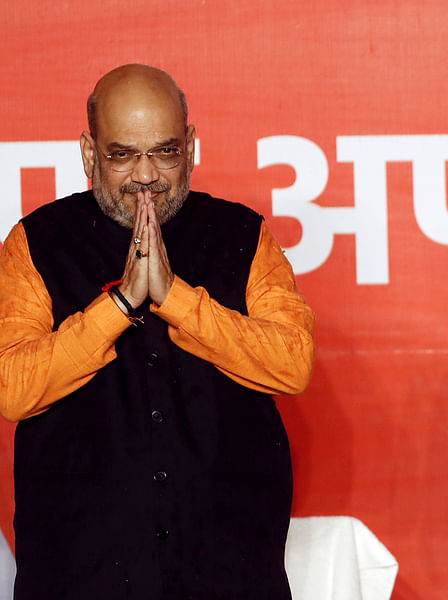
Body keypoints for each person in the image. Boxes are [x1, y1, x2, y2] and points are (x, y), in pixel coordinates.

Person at [0, 64, 314, 598]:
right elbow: (12, 386)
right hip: (80, 572)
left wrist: (175, 299)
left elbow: (293, 363)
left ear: (190, 146)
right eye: (121, 154)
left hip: (228, 568)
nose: (145, 175)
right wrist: (120, 304)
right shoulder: (35, 243)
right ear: (88, 153)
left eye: (164, 152)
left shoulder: (243, 234)